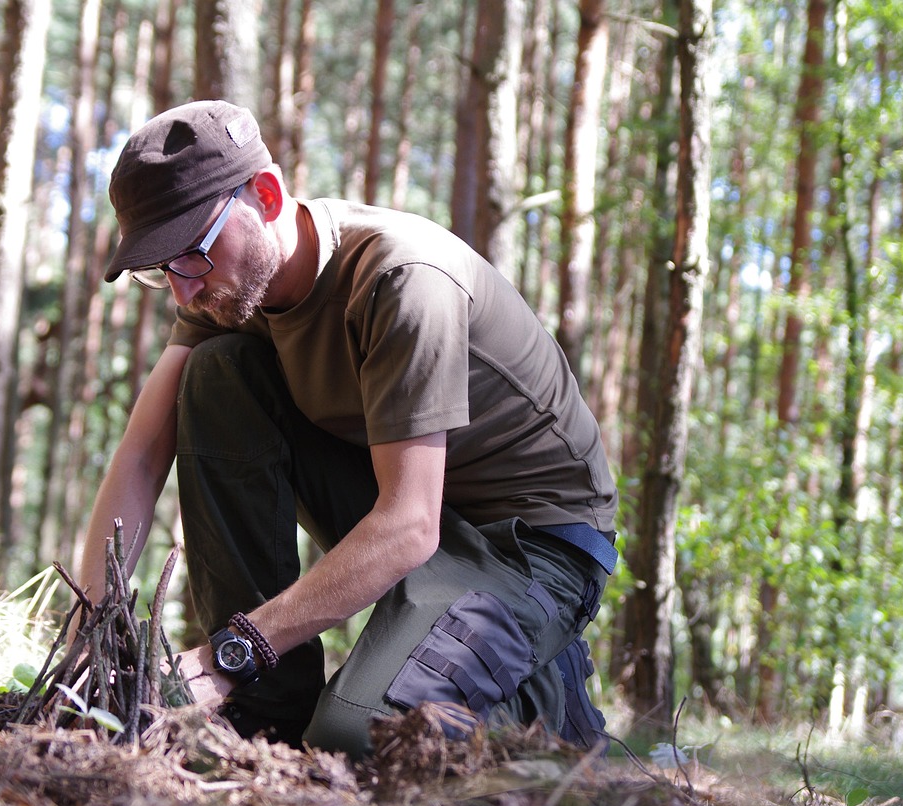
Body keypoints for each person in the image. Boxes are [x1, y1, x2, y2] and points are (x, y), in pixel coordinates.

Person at [79, 99, 617, 758]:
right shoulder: (226, 288)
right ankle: (267, 705)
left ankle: (545, 696)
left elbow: (410, 524)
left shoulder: (399, 279)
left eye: (191, 254)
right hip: (412, 508)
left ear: (267, 196)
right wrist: (92, 633)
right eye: (159, 269)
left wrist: (232, 653)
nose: (182, 292)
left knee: (357, 737)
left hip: (532, 546)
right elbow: (142, 451)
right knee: (217, 373)